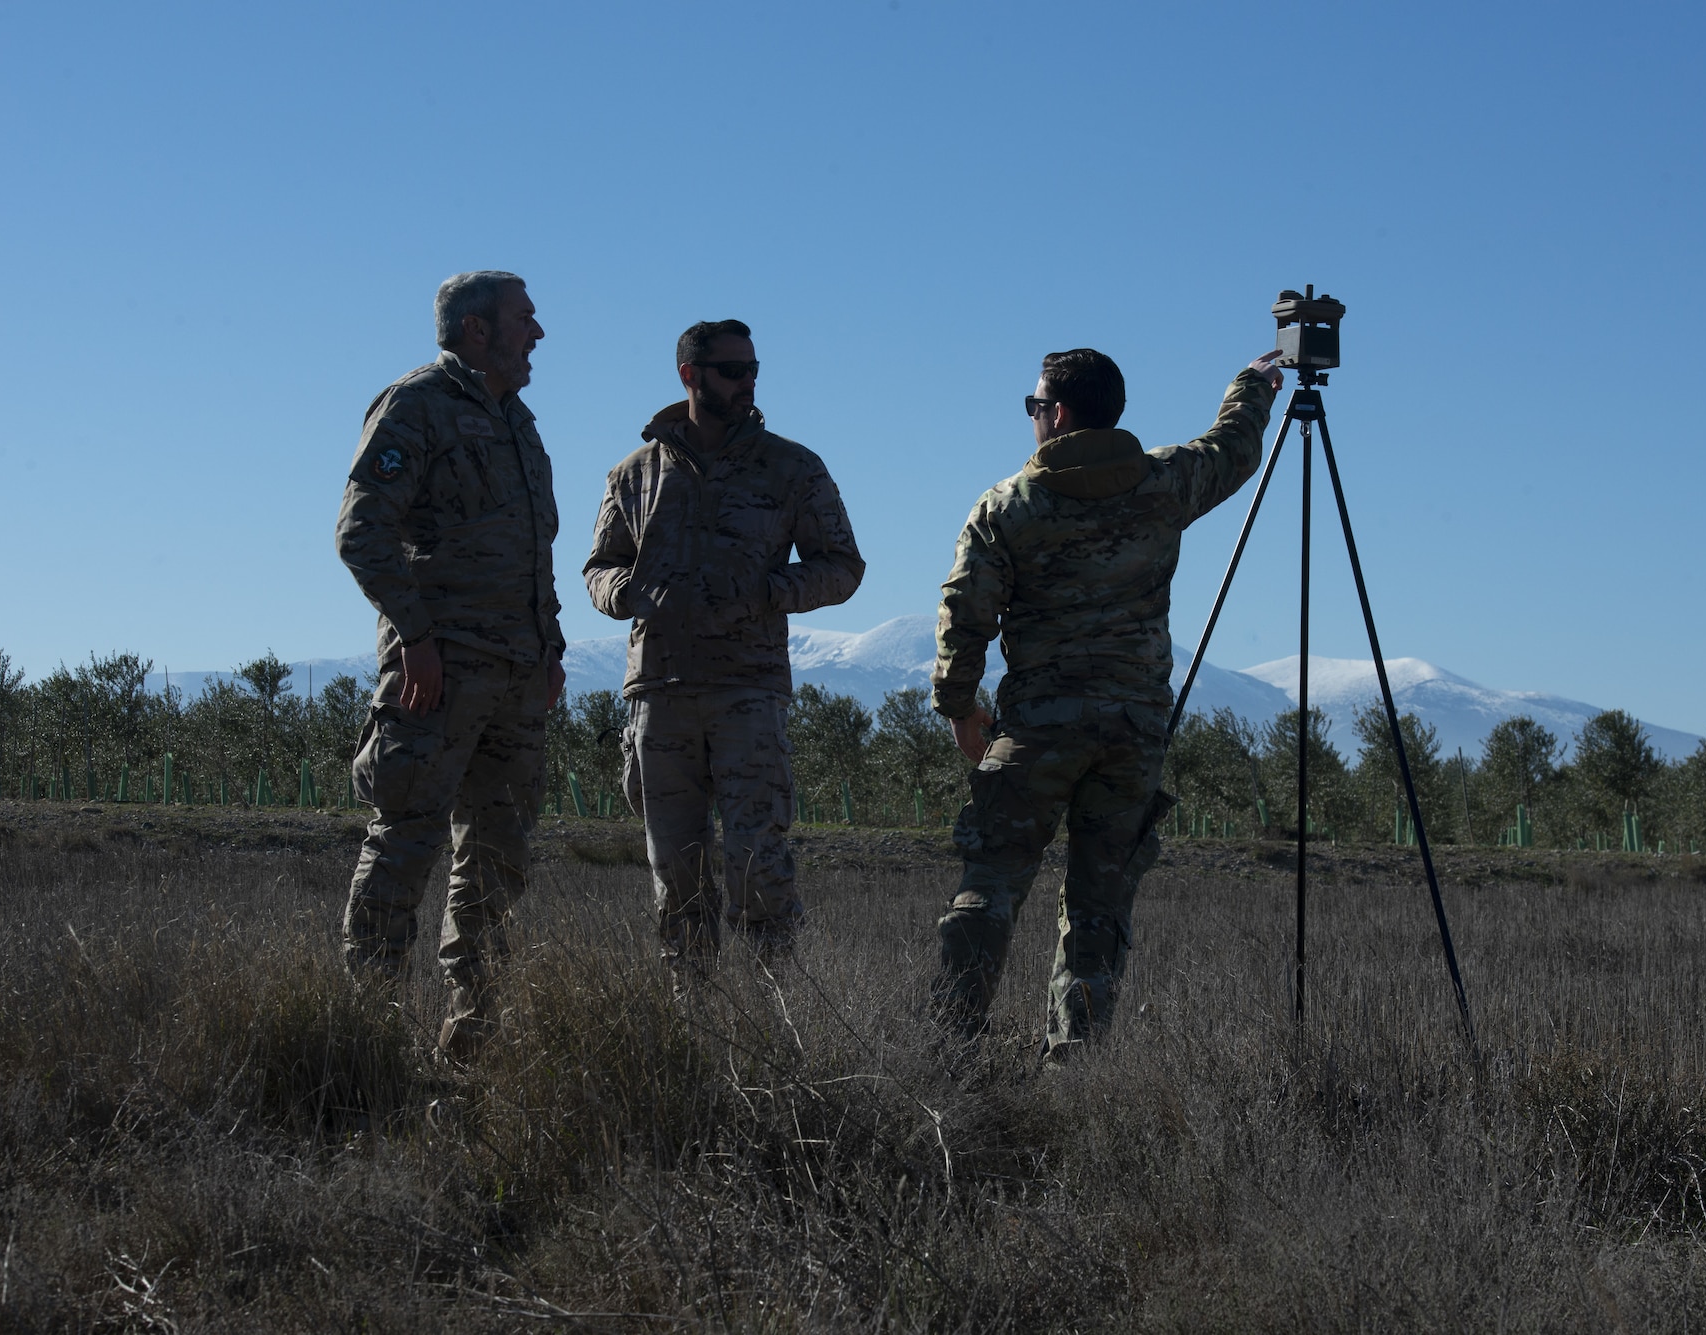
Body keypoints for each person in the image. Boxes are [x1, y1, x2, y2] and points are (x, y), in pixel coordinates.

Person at [931, 345, 1284, 1060]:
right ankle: (1075, 1066)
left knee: (991, 886)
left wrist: (959, 706)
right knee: (1099, 908)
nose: (1032, 418)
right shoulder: (1162, 485)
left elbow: (966, 616)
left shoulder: (1008, 507)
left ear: (1056, 414)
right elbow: (1235, 448)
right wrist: (1253, 385)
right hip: (1132, 735)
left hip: (1037, 731)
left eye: (1034, 407)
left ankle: (948, 1046)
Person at [584, 320, 864, 975]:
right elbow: (599, 566)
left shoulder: (792, 467)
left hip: (749, 689)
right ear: (691, 375)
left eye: (753, 369)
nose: (748, 382)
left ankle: (781, 1010)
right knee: (674, 871)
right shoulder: (634, 472)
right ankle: (691, 1019)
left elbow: (842, 565)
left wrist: (770, 589)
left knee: (756, 861)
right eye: (733, 370)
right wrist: (627, 593)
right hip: (659, 690)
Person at [335, 270, 567, 1059]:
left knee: (497, 861)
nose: (537, 333)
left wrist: (552, 650)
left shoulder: (520, 426)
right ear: (477, 329)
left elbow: (537, 552)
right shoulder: (416, 406)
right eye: (524, 319)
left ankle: (471, 1042)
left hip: (515, 680)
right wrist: (415, 638)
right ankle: (367, 1039)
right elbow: (363, 531)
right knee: (407, 841)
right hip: (438, 677)